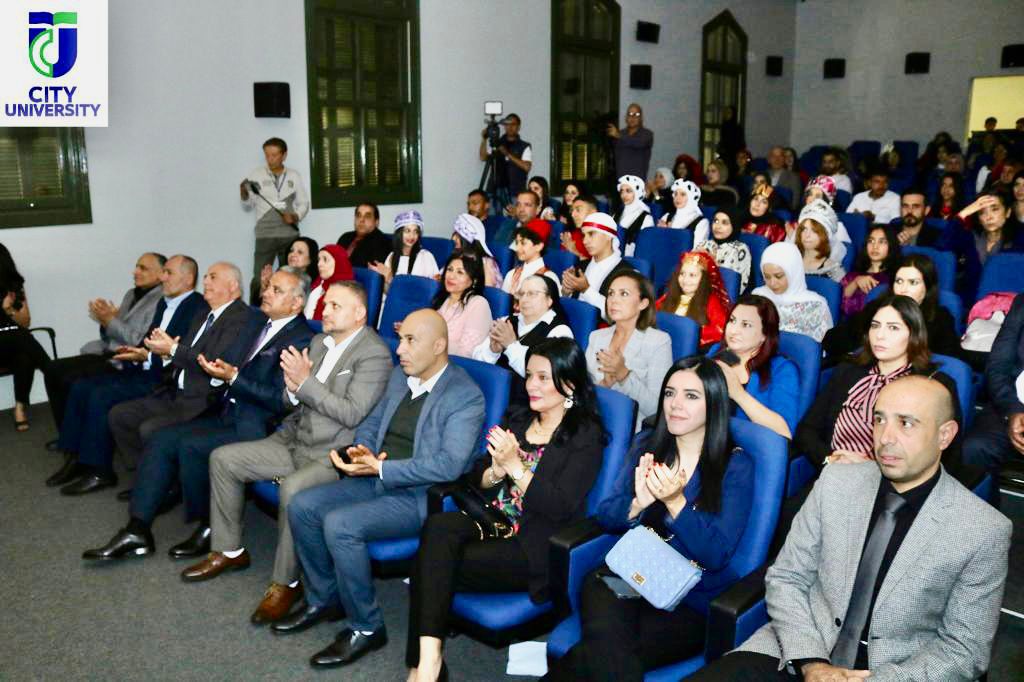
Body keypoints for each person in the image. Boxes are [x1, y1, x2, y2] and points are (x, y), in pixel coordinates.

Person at [691, 375, 1010, 682]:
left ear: (945, 435)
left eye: (906, 423)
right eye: (879, 419)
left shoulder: (982, 529)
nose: (885, 438)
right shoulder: (836, 481)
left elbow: (965, 650)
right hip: (795, 650)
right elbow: (788, 576)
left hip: (893, 672)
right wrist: (811, 661)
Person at [179, 280, 393, 624]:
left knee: (293, 491)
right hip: (294, 437)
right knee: (224, 459)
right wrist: (293, 390)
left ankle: (286, 583)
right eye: (325, 303)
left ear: (359, 313)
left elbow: (352, 413)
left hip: (332, 453)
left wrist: (305, 383)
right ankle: (229, 550)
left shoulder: (374, 354)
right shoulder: (319, 342)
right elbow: (291, 399)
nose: (325, 310)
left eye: (335, 305)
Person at [280, 309, 486, 668]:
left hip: (420, 496)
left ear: (438, 346)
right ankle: (324, 597)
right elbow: (371, 423)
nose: (400, 349)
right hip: (376, 477)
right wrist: (363, 452)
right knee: (302, 505)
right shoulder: (399, 376)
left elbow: (449, 465)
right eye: (401, 339)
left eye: (410, 341)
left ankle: (367, 626)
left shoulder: (464, 395)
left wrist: (382, 467)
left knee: (340, 526)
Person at [544, 356, 755, 681]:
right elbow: (607, 514)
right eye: (670, 393)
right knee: (610, 650)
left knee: (603, 656)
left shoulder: (735, 466)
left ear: (714, 404)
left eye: (691, 396)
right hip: (628, 576)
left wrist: (675, 503)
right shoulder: (648, 444)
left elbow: (716, 554)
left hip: (687, 600)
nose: (675, 404)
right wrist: (636, 504)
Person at [81, 268, 315, 561]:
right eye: (268, 287)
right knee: (162, 439)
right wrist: (213, 369)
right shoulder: (259, 324)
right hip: (224, 408)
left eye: (276, 290)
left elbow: (280, 401)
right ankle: (137, 530)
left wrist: (233, 378)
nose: (265, 293)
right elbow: (223, 360)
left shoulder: (302, 339)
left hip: (257, 424)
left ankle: (209, 525)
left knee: (188, 445)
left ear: (297, 303)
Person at [407, 339, 606, 682]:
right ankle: (429, 664)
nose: (531, 385)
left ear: (569, 384)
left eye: (543, 378)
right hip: (492, 521)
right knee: (437, 529)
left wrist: (515, 467)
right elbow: (477, 476)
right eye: (529, 375)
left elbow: (559, 506)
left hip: (534, 544)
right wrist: (496, 472)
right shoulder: (518, 417)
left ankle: (422, 668)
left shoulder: (585, 436)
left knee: (430, 564)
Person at [45, 255, 208, 492]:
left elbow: (180, 352)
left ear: (188, 278)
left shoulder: (196, 307)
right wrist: (136, 352)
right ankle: (74, 457)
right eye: (163, 272)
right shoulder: (164, 303)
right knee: (82, 387)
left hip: (162, 380)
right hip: (142, 368)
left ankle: (100, 471)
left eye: (168, 273)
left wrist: (144, 355)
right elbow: (147, 341)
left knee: (99, 396)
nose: (163, 278)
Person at [105, 263, 263, 483]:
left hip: (202, 400)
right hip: (174, 390)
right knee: (120, 415)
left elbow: (211, 361)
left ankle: (158, 482)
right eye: (205, 277)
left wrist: (172, 349)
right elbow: (183, 354)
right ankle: (147, 476)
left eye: (213, 277)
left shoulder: (240, 317)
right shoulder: (203, 314)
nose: (205, 281)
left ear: (233, 286)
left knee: (150, 429)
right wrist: (157, 354)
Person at [796, 294, 944, 470]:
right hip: (833, 472)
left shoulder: (931, 386)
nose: (880, 335)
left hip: (891, 481)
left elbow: (936, 456)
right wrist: (830, 459)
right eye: (875, 326)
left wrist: (870, 471)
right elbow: (807, 430)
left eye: (893, 328)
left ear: (914, 335)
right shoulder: (848, 371)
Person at [42, 252, 166, 430]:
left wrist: (110, 320)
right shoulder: (131, 294)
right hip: (108, 351)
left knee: (71, 379)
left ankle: (77, 432)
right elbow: (111, 334)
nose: (135, 272)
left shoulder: (162, 300)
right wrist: (105, 321)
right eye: (136, 267)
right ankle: (66, 432)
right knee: (52, 369)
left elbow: (140, 341)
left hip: (127, 360)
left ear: (160, 274)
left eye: (143, 268)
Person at [825, 254, 962, 365]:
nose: (903, 289)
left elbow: (949, 362)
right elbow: (832, 340)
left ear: (927, 288)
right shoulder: (877, 308)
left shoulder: (940, 318)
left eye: (913, 282)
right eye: (899, 281)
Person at [586, 270, 672, 429]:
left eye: (623, 294)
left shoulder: (658, 342)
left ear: (643, 303)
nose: (613, 300)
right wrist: (604, 385)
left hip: (629, 428)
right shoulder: (596, 337)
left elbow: (657, 408)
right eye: (611, 294)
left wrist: (624, 375)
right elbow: (581, 391)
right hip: (592, 420)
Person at [710, 295, 800, 439]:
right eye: (732, 321)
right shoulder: (718, 352)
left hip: (745, 446)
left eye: (746, 325)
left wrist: (739, 394)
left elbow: (784, 431)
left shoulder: (781, 369)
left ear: (765, 334)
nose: (734, 330)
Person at [240, 138, 309, 303]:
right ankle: (255, 311)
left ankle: (291, 308)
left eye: (274, 155)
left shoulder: (293, 175)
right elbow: (248, 205)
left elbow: (304, 203)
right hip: (265, 235)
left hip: (289, 234)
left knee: (292, 276)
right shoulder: (256, 175)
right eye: (267, 155)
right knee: (259, 278)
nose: (270, 159)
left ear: (284, 155)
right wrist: (244, 192)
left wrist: (295, 216)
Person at [473, 274, 573, 385]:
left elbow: (546, 377)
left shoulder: (560, 332)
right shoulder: (506, 321)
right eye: (521, 294)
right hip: (492, 386)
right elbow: (476, 362)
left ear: (549, 300)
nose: (524, 299)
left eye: (531, 294)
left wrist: (511, 345)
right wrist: (492, 351)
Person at [963, 293, 1024, 473]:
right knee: (975, 447)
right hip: (1013, 401)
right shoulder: (1022, 304)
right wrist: (1012, 410)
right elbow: (997, 366)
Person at [0, 243, 51, 431]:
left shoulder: (14, 286)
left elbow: (25, 321)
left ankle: (20, 408)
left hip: (15, 344)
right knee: (20, 336)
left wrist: (9, 309)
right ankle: (54, 372)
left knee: (24, 353)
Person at [752, 242, 832, 343]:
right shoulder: (758, 297)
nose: (772, 283)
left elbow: (819, 348)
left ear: (793, 272)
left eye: (778, 276)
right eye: (767, 277)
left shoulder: (815, 305)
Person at [561, 211, 635, 317]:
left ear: (609, 236)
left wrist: (586, 290)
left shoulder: (627, 273)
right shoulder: (581, 266)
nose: (585, 241)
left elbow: (618, 315)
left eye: (591, 234)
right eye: (584, 235)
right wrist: (566, 292)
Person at [656, 251, 731, 349]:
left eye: (692, 275)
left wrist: (690, 334)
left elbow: (720, 330)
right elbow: (652, 314)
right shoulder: (670, 295)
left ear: (703, 278)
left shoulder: (711, 302)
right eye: (682, 274)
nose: (685, 280)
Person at [432, 250, 493, 358]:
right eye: (450, 269)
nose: (451, 276)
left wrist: (430, 343)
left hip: (456, 366)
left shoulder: (478, 304)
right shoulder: (442, 300)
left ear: (474, 281)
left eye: (460, 272)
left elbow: (467, 353)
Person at [369, 211, 440, 292]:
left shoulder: (426, 256)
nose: (412, 236)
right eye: (407, 231)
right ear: (399, 233)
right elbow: (388, 292)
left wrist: (390, 278)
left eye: (415, 231)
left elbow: (429, 290)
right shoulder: (391, 256)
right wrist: (382, 278)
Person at [839, 223, 901, 317]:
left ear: (891, 245)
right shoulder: (853, 275)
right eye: (871, 241)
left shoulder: (896, 277)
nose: (875, 246)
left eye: (882, 242)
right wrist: (855, 282)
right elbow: (837, 303)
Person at [480, 112, 533, 208]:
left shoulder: (524, 146)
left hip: (515, 192)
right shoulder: (497, 143)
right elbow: (483, 157)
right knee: (493, 217)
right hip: (494, 189)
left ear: (519, 127)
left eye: (513, 124)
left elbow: (526, 167)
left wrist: (507, 154)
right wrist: (484, 139)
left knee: (513, 217)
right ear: (504, 126)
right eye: (507, 124)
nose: (510, 127)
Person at [695, 206, 752, 290]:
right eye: (716, 221)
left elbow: (736, 288)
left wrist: (713, 264)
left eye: (724, 223)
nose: (718, 226)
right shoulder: (704, 244)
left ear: (734, 225)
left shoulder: (740, 250)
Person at [503, 219, 561, 298]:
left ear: (539, 246)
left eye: (523, 243)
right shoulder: (511, 274)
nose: (517, 248)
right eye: (517, 243)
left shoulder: (549, 277)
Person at [792, 199, 846, 282]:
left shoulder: (832, 268)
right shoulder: (791, 261)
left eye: (814, 230)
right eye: (804, 229)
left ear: (824, 235)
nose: (807, 235)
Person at [304, 244, 355, 321]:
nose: (319, 264)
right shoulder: (319, 283)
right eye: (319, 260)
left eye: (325, 260)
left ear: (339, 262)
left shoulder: (346, 291)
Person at [451, 213, 503, 288]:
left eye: (458, 236)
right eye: (454, 234)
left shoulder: (486, 264)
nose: (454, 239)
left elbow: (488, 291)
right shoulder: (456, 257)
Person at [336, 202, 392, 268]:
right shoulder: (345, 237)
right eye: (358, 215)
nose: (361, 220)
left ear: (376, 222)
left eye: (367, 216)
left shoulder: (382, 243)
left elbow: (369, 269)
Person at [608, 103, 654, 181]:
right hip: (621, 180)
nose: (633, 117)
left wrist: (618, 136)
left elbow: (639, 143)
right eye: (630, 114)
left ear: (641, 118)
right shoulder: (620, 133)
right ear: (626, 118)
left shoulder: (647, 134)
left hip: (637, 182)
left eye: (636, 114)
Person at [614, 175, 654, 257]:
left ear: (637, 192)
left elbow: (645, 246)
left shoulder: (646, 218)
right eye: (621, 191)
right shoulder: (618, 212)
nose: (624, 195)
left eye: (628, 191)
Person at [558, 191, 593, 259]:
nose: (573, 215)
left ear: (593, 212)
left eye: (578, 210)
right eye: (572, 211)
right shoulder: (571, 237)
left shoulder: (602, 235)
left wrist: (574, 251)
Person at [766, 146, 802, 211]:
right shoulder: (762, 175)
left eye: (780, 156)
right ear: (769, 160)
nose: (777, 159)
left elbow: (794, 205)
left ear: (784, 159)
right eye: (773, 156)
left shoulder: (793, 177)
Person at [717, 105, 746, 178]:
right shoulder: (724, 126)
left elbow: (741, 144)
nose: (727, 114)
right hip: (725, 157)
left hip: (734, 157)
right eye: (726, 112)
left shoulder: (737, 128)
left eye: (729, 113)